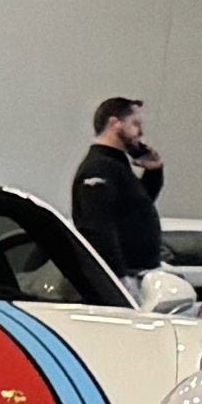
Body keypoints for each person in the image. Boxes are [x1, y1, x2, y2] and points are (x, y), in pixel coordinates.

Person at [70, 96, 172, 284]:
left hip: (135, 274)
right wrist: (118, 278)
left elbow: (137, 209)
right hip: (121, 279)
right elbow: (98, 228)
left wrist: (154, 172)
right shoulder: (99, 168)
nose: (140, 132)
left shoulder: (117, 166)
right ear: (114, 123)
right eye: (135, 124)